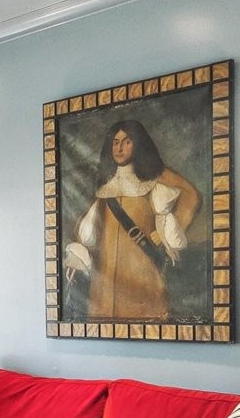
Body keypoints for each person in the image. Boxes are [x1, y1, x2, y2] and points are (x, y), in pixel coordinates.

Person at [63, 120, 200, 320]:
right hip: (106, 279)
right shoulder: (107, 181)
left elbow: (191, 195)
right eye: (116, 142)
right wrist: (78, 257)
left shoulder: (155, 174)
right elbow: (92, 227)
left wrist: (162, 235)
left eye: (127, 142)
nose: (119, 147)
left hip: (142, 274)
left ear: (138, 144)